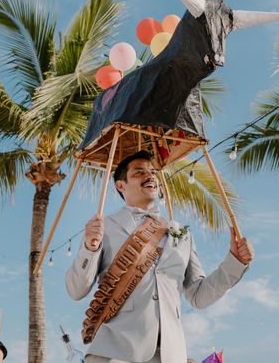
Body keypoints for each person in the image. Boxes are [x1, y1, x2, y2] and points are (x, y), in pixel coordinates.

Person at [66, 151, 255, 363]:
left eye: (152, 172)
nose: (150, 176)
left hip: (169, 354)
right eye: (139, 172)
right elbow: (76, 290)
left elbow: (198, 296)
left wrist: (235, 262)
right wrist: (89, 248)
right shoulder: (104, 227)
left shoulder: (180, 233)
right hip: (115, 353)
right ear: (121, 185)